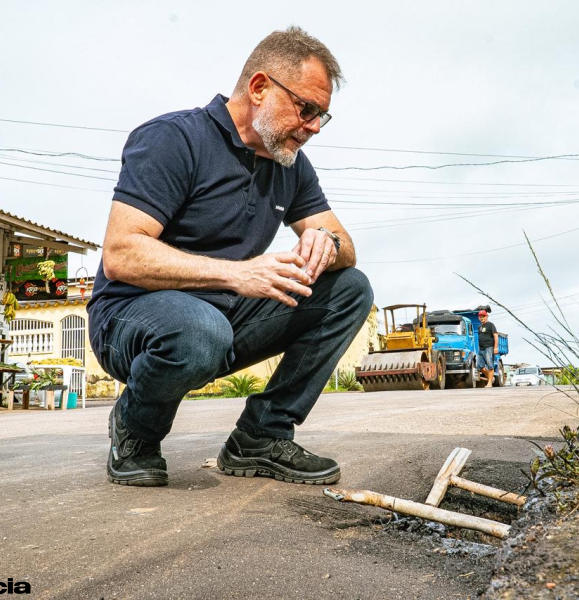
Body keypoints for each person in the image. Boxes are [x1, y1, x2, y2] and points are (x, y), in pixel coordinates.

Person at [87, 26, 374, 487]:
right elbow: (122, 254)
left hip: (223, 318)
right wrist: (238, 274)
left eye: (323, 116)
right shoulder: (174, 139)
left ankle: (260, 437)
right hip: (131, 318)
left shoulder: (290, 164)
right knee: (200, 330)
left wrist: (328, 244)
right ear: (260, 88)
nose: (314, 127)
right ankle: (136, 433)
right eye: (306, 109)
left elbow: (346, 245)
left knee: (349, 289)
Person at [476, 310, 499, 387]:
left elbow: (495, 336)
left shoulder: (490, 325)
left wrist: (495, 348)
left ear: (486, 316)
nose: (481, 318)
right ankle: (491, 377)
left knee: (490, 365)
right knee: (479, 366)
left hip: (489, 348)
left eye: (483, 316)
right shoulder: (479, 327)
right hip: (481, 349)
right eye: (480, 317)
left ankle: (489, 383)